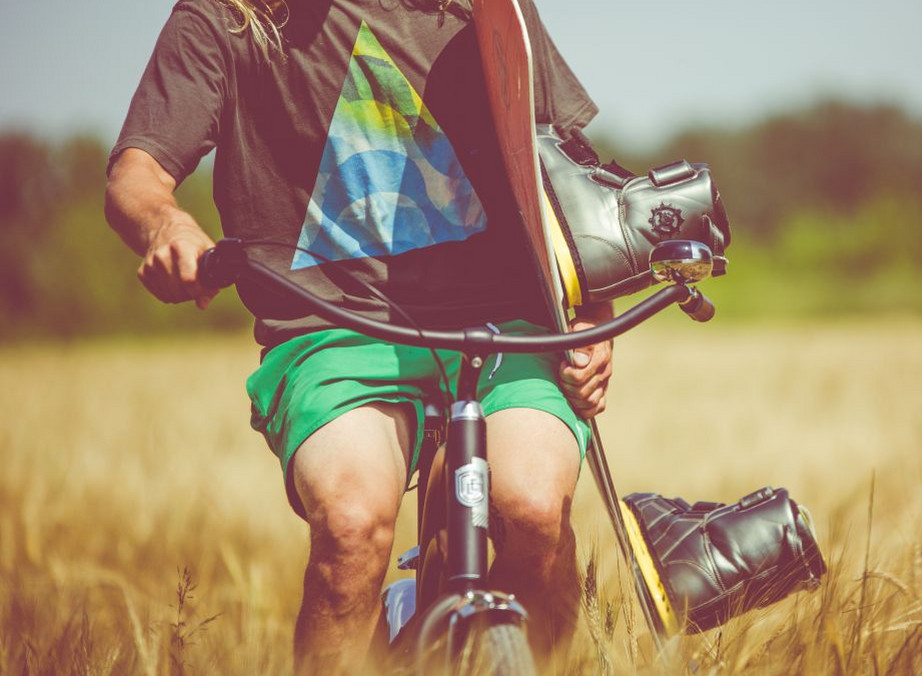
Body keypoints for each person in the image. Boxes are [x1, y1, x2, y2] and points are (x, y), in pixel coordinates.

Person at [104, 0, 612, 671]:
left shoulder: (488, 8)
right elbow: (135, 175)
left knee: (535, 511)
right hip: (331, 327)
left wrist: (590, 315)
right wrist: (164, 224)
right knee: (352, 527)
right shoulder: (224, 18)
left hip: (503, 327)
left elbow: (569, 174)